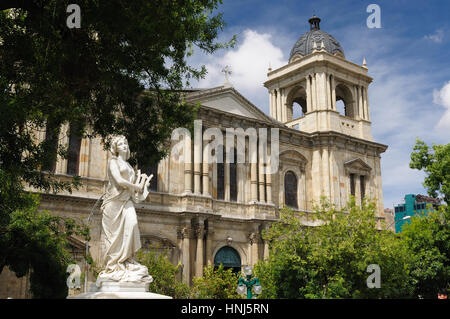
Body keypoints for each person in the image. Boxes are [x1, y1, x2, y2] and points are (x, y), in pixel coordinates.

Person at [96, 135, 153, 285]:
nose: (124, 145)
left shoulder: (128, 165)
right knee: (114, 238)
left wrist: (142, 188)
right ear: (116, 147)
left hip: (126, 200)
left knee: (133, 224)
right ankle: (115, 266)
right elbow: (120, 181)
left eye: (125, 143)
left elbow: (134, 191)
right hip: (113, 202)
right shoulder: (112, 162)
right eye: (120, 143)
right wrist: (136, 186)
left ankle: (127, 260)